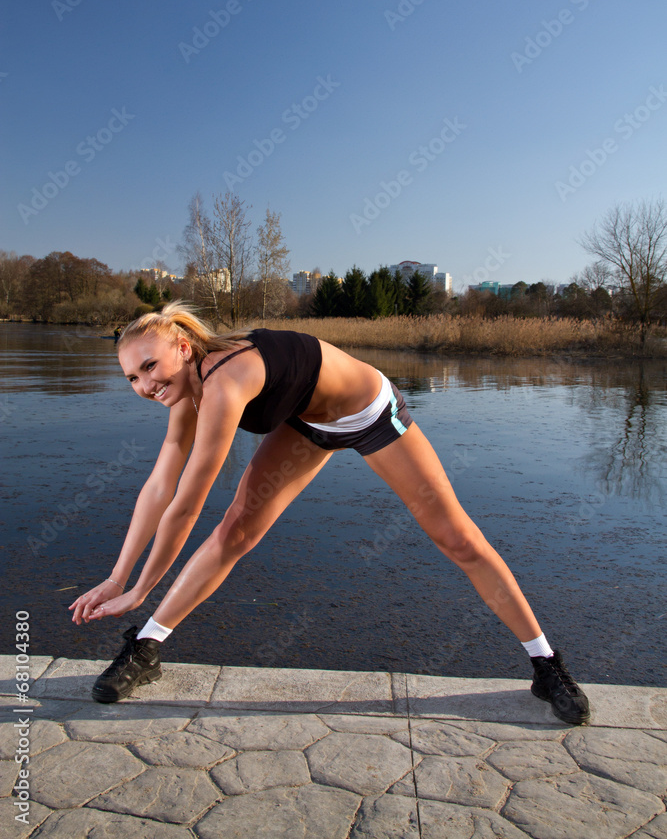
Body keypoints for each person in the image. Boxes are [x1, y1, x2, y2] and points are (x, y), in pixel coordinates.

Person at [69, 301, 590, 724]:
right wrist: (118, 577)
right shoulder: (185, 390)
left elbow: (186, 504)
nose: (144, 386)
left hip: (369, 414)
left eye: (150, 367)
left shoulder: (224, 383)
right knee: (236, 531)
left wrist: (138, 589)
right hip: (307, 424)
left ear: (183, 347)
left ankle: (546, 665)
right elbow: (161, 485)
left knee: (457, 538)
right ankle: (145, 648)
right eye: (132, 377)